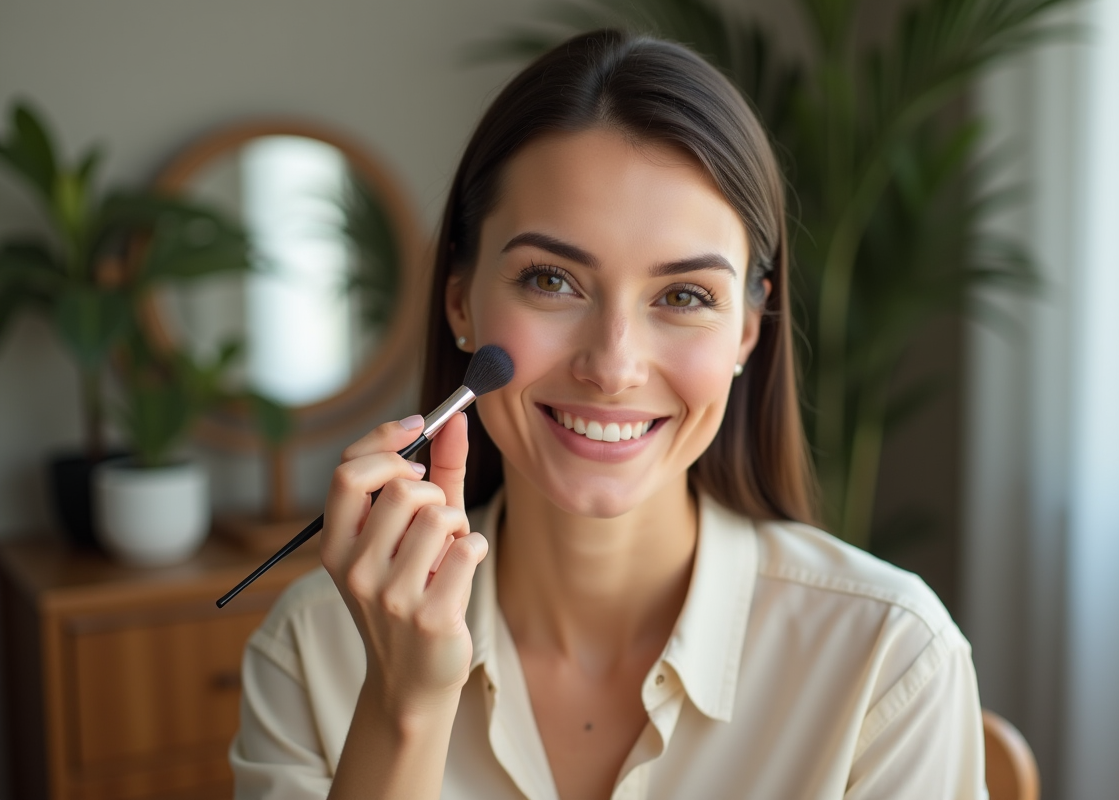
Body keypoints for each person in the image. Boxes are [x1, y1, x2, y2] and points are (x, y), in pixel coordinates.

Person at [230, 29, 987, 800]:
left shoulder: (890, 658)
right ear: (460, 300)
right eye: (552, 281)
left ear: (749, 331)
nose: (612, 365)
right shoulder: (313, 649)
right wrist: (403, 709)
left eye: (684, 296)